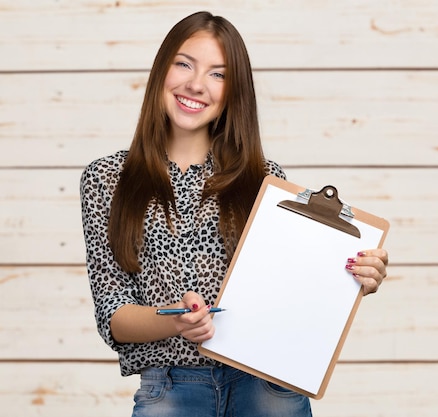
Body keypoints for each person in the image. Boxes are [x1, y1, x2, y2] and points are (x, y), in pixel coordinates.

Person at [80, 10, 389, 417]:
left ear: (232, 92)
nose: (196, 84)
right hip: (170, 391)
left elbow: (292, 291)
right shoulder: (107, 179)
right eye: (184, 64)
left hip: (268, 388)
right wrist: (176, 321)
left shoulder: (265, 180)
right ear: (161, 70)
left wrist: (352, 278)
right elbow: (112, 312)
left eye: (218, 74)